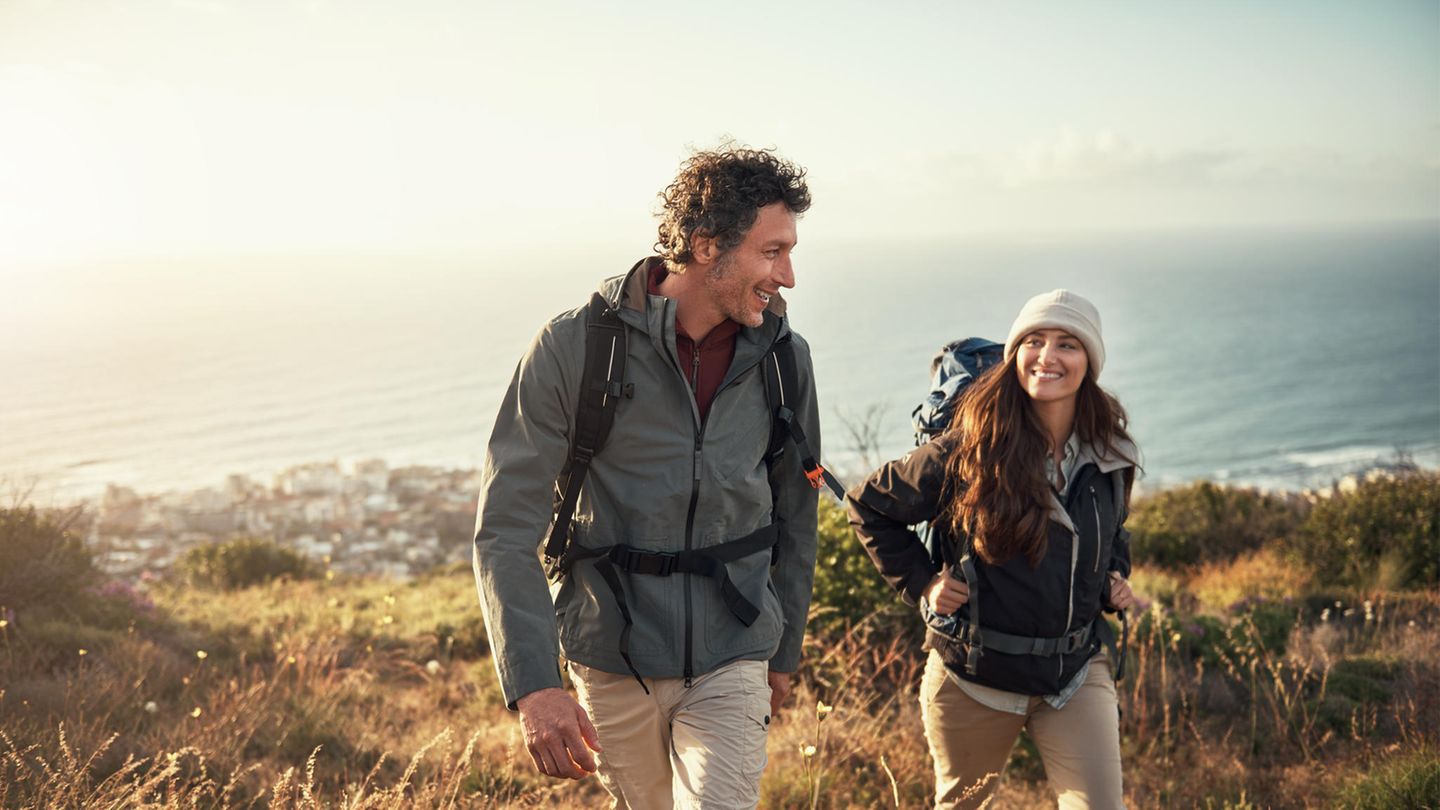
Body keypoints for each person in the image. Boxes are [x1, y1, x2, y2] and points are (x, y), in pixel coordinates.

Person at [472, 146, 822, 809]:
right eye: (772, 251)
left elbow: (794, 516)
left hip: (735, 644)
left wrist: (784, 651)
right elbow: (505, 530)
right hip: (610, 649)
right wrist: (534, 683)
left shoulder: (785, 358)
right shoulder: (573, 347)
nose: (790, 275)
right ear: (706, 244)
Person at [846, 289, 1140, 810]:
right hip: (973, 677)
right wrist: (924, 583)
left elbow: (1114, 528)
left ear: (1089, 361)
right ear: (1015, 353)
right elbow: (869, 505)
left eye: (1067, 344)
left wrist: (1115, 575)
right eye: (1034, 341)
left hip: (1075, 672)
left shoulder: (1111, 449)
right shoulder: (970, 445)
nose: (1047, 357)